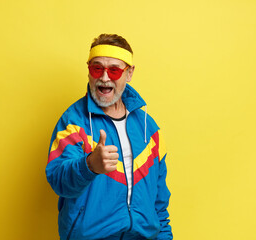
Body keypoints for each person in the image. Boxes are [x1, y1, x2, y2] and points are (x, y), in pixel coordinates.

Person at [46, 34, 172, 240]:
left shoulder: (149, 129)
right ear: (89, 71)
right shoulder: (73, 122)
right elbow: (58, 180)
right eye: (97, 68)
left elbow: (159, 201)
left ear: (129, 73)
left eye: (114, 70)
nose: (104, 78)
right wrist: (89, 165)